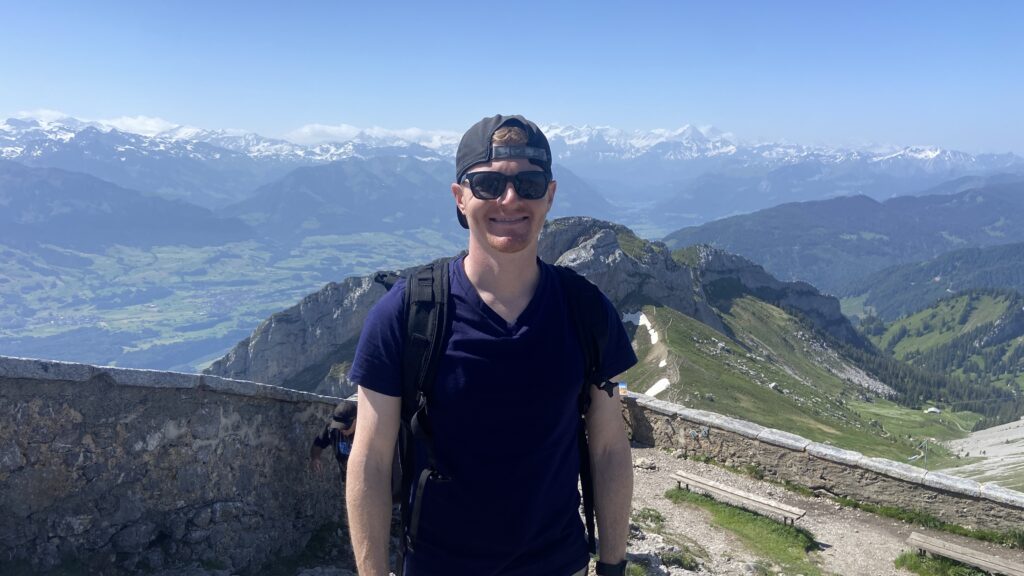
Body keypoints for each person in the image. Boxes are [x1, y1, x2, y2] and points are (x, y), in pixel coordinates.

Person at [346, 114, 637, 576]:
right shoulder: (406, 314)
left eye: (529, 183)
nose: (510, 199)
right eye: (487, 185)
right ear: (459, 199)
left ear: (550, 195)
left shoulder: (586, 311)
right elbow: (371, 459)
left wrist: (613, 565)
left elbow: (608, 447)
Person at [310, 401, 357, 479]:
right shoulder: (332, 430)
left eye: (345, 427)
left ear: (356, 420)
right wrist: (315, 458)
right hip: (347, 480)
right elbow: (318, 444)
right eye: (339, 426)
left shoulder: (368, 434)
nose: (342, 430)